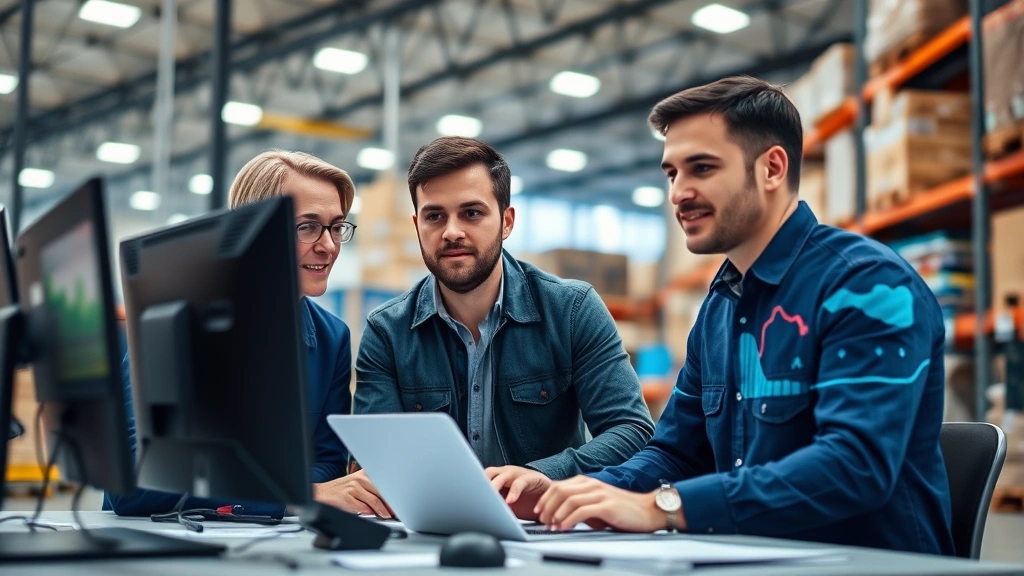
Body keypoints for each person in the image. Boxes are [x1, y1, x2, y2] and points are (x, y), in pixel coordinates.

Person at [531, 76, 955, 555]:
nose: (678, 193)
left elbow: (854, 465)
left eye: (702, 168)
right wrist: (570, 493)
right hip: (757, 557)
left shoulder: (867, 287)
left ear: (772, 168)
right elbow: (675, 454)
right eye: (672, 174)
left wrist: (666, 508)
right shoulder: (720, 307)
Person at [314, 136, 654, 518]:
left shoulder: (572, 310)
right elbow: (379, 463)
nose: (451, 232)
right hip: (431, 529)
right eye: (434, 216)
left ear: (506, 221)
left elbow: (632, 432)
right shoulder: (387, 332)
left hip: (546, 525)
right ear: (417, 225)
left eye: (472, 213)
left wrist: (544, 475)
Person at [104, 150, 360, 517]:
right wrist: (287, 497)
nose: (329, 245)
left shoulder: (332, 338)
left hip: (276, 540)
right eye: (307, 227)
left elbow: (327, 462)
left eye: (336, 227)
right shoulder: (172, 322)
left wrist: (292, 495)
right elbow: (130, 484)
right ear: (255, 230)